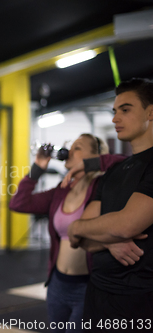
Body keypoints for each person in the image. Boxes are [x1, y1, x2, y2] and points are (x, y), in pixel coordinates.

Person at [9, 134, 138, 333]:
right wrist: (38, 168)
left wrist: (93, 164)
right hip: (58, 285)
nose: (69, 151)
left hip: (87, 287)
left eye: (77, 147)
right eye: (70, 146)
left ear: (95, 156)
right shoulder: (61, 191)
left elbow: (126, 162)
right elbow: (18, 203)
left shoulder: (102, 188)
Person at [68, 78, 153, 331]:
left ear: (151, 112)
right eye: (114, 111)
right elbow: (80, 240)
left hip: (141, 300)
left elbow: (126, 225)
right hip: (98, 295)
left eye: (125, 110)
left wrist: (79, 227)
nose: (116, 118)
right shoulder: (115, 171)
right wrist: (101, 238)